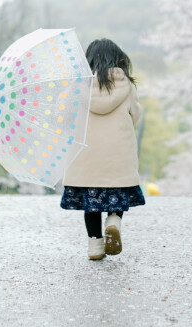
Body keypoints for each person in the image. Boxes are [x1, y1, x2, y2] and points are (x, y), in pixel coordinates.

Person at [60, 38, 145, 260]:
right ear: (118, 59)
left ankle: (95, 247)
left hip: (85, 157)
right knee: (116, 193)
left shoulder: (77, 85)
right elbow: (135, 116)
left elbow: (65, 119)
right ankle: (114, 220)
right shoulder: (126, 86)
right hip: (118, 155)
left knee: (92, 202)